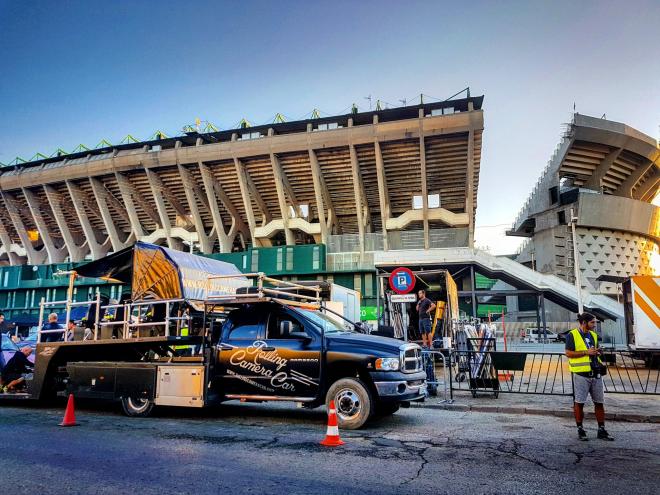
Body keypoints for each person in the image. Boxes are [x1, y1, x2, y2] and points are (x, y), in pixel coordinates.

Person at [565, 312, 613, 441]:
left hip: (596, 372)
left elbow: (594, 350)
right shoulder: (572, 335)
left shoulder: (593, 335)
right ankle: (580, 429)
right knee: (579, 402)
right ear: (584, 322)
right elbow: (568, 353)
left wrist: (598, 351)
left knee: (599, 402)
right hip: (581, 374)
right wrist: (586, 352)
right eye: (592, 322)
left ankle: (601, 429)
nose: (595, 324)